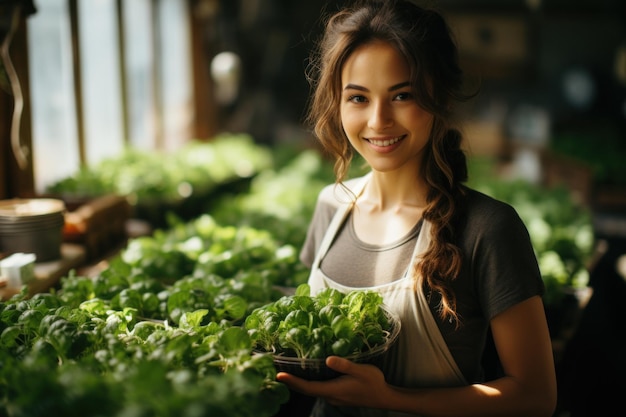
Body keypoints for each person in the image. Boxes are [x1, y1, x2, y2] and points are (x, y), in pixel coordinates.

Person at [275, 0, 558, 416]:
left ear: (439, 98)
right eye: (358, 98)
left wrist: (391, 399)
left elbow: (536, 397)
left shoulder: (486, 229)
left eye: (402, 95)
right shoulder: (331, 207)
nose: (378, 121)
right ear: (336, 103)